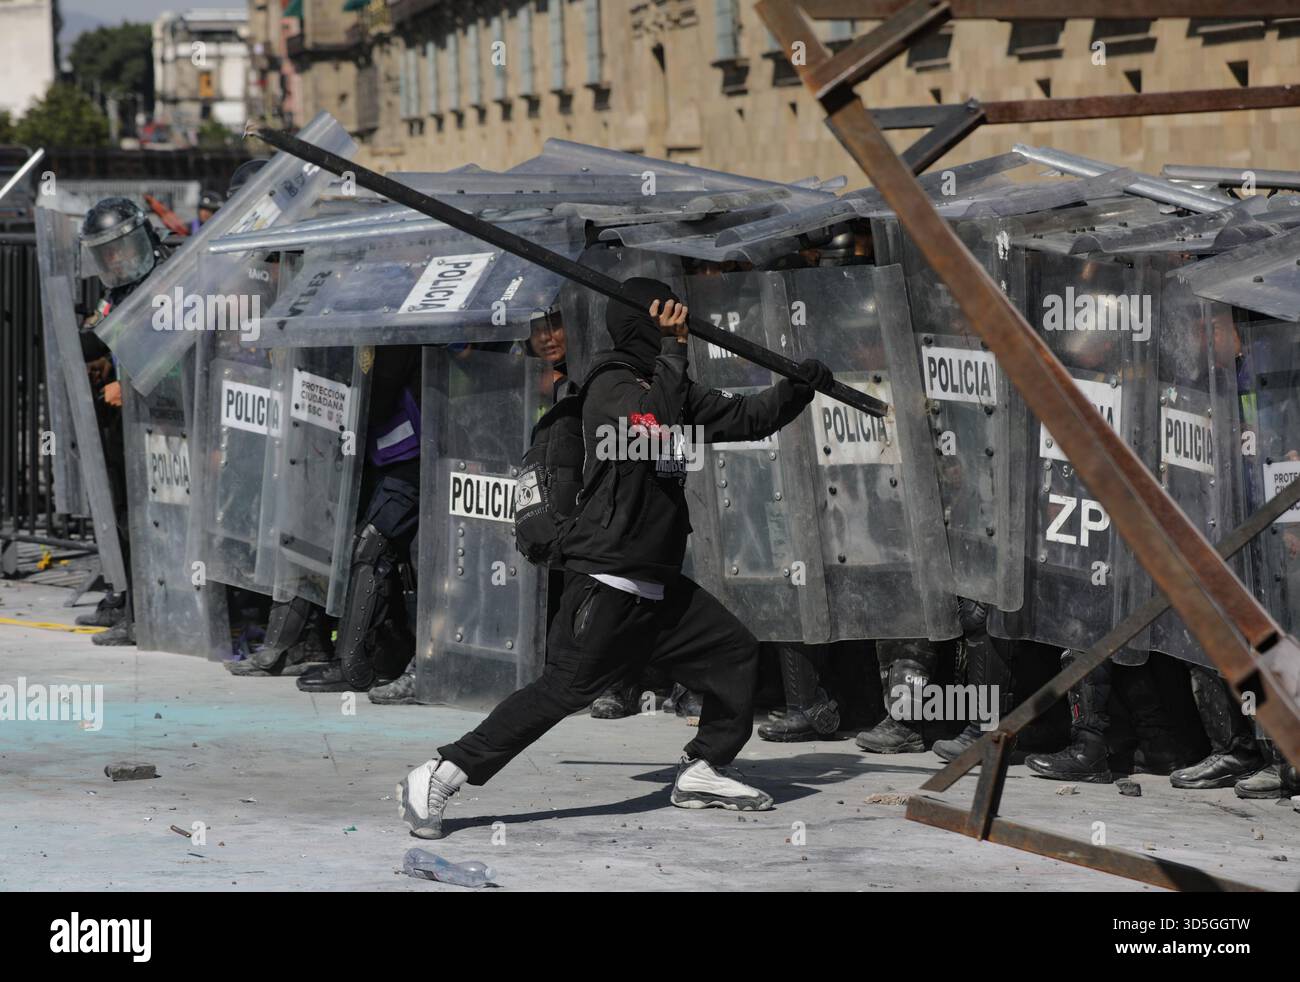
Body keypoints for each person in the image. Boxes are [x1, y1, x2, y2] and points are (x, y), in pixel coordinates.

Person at [396, 277, 833, 837]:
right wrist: (674, 352)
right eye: (669, 318)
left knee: (733, 652)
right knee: (560, 692)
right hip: (609, 581)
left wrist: (797, 388)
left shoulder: (664, 382)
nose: (681, 325)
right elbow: (650, 427)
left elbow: (745, 417)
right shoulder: (611, 383)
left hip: (657, 583)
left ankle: (704, 767)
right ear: (644, 324)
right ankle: (441, 773)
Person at [73, 197, 167, 646]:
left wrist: (128, 390)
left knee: (146, 519)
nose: (113, 258)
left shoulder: (167, 280)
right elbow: (104, 334)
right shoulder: (120, 288)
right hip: (122, 420)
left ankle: (144, 613)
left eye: (118, 247)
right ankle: (126, 596)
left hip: (159, 419)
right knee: (122, 514)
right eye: (104, 251)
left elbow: (178, 354)